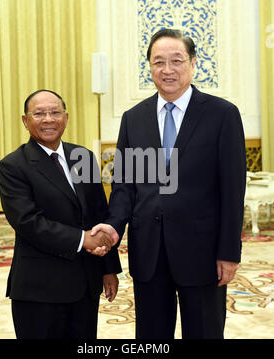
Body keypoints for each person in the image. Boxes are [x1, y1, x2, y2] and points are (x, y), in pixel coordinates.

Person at [91, 29, 247, 339]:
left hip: (203, 252)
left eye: (177, 60)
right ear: (149, 67)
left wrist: (229, 252)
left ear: (193, 64)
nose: (167, 70)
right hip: (148, 250)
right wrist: (113, 226)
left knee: (203, 331)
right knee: (151, 335)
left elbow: (232, 191)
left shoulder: (222, 115)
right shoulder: (133, 118)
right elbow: (125, 187)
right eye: (158, 62)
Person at [0, 89, 122, 339]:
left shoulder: (82, 157)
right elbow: (27, 222)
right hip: (39, 289)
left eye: (55, 112)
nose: (48, 119)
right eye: (39, 113)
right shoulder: (13, 166)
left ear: (65, 117)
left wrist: (108, 269)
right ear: (25, 120)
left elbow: (99, 213)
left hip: (85, 284)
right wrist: (82, 239)